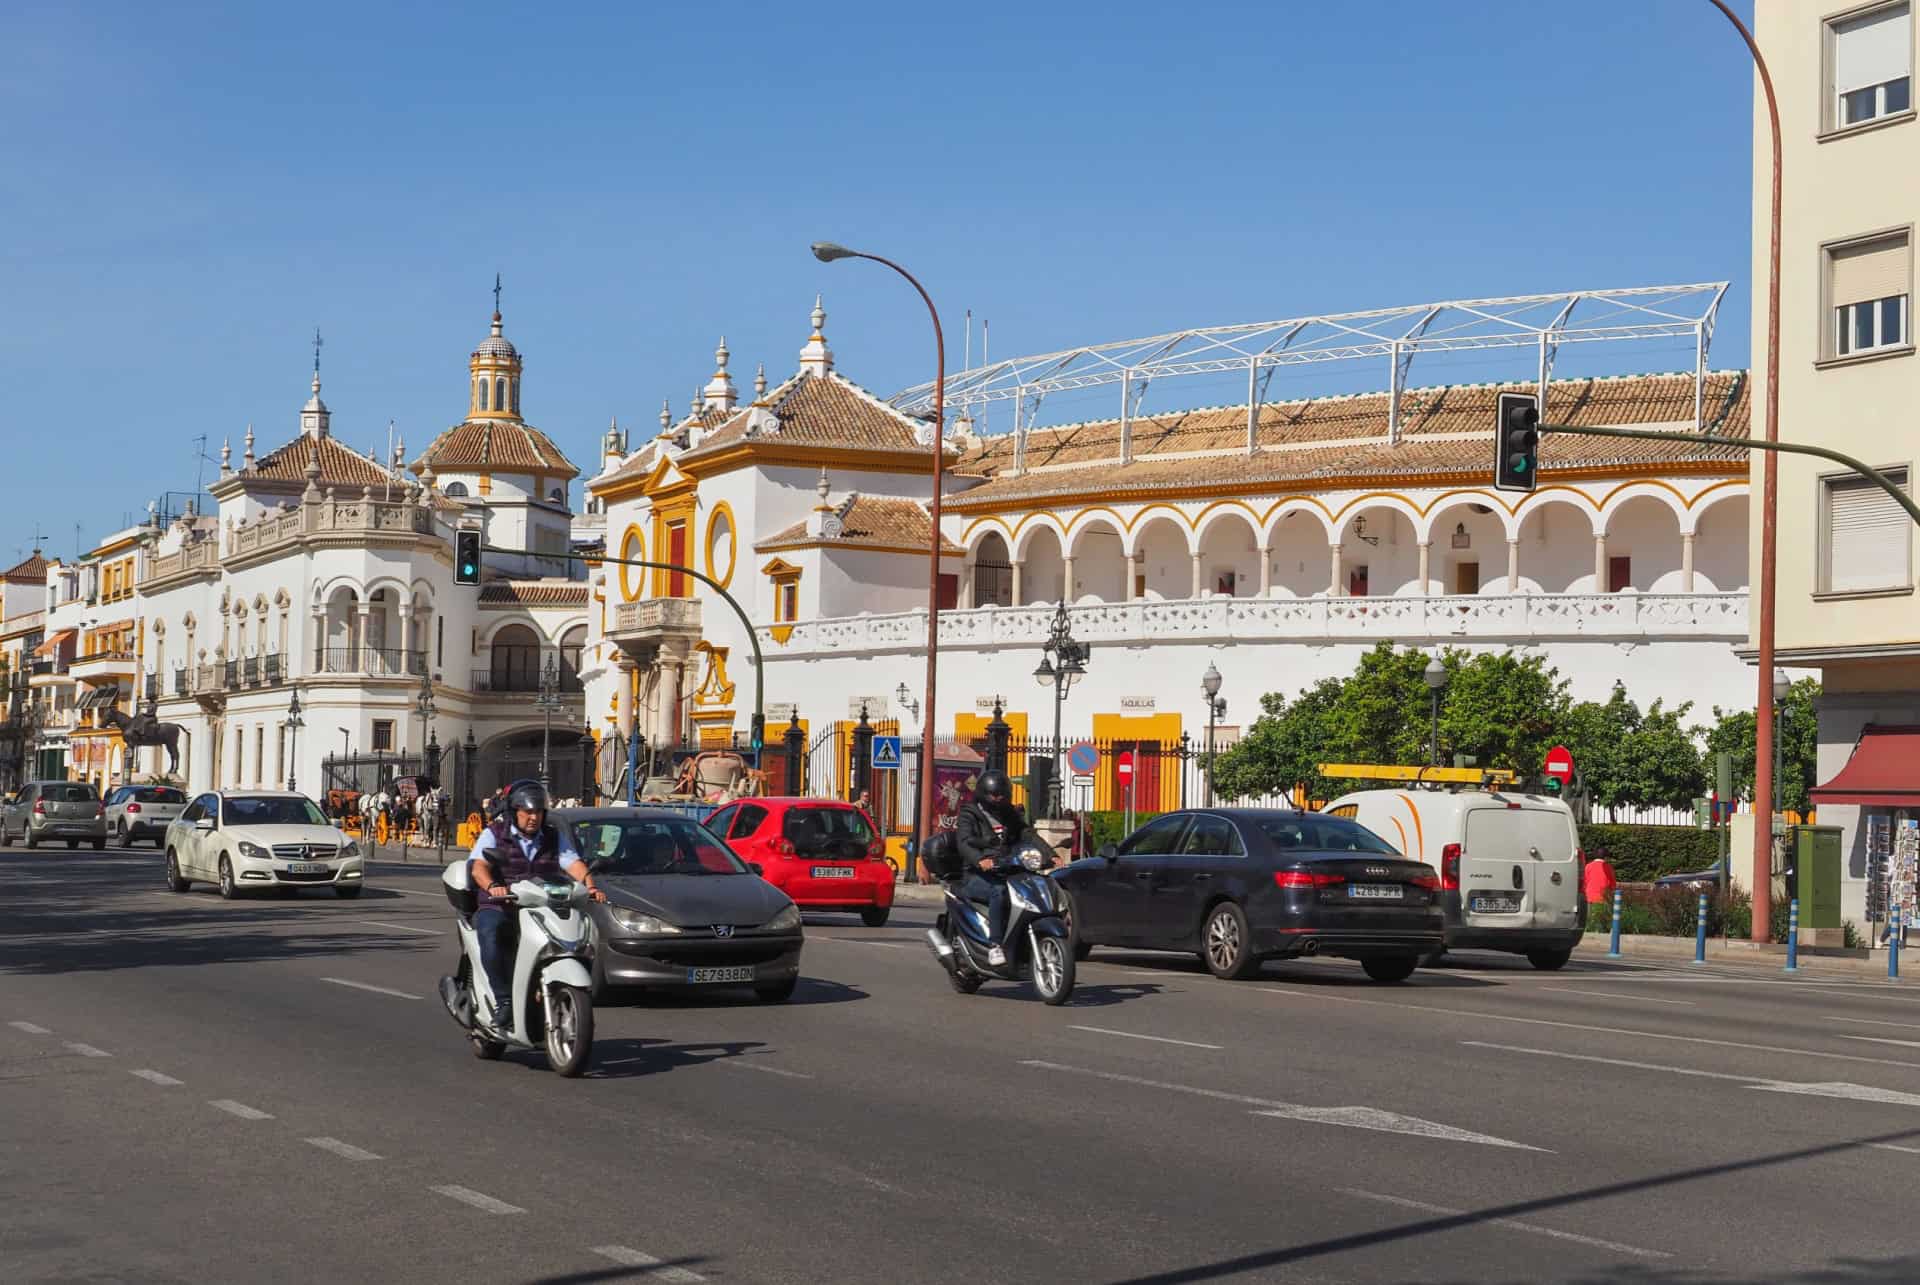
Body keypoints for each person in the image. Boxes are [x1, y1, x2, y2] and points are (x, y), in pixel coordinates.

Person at [466, 780, 605, 1035]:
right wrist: (494, 886)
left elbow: (573, 864)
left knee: (578, 934)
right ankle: (504, 1000)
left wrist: (590, 886)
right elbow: (479, 867)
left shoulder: (553, 836)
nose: (533, 817)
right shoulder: (495, 833)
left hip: (542, 903)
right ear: (514, 811)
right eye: (528, 812)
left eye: (538, 812)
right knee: (491, 934)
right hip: (502, 904)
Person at [954, 769, 1023, 967]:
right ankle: (995, 946)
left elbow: (1027, 833)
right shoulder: (969, 813)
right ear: (984, 793)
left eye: (1001, 794)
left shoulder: (1010, 814)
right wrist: (979, 860)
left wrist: (1049, 854)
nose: (998, 798)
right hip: (975, 875)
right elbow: (964, 842)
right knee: (998, 892)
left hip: (1005, 870)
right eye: (994, 794)